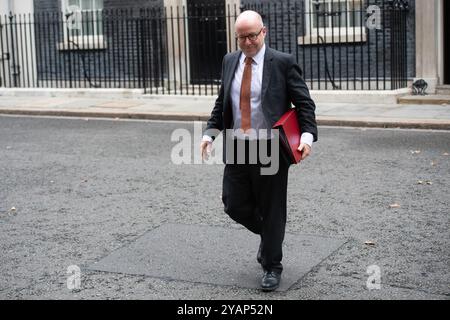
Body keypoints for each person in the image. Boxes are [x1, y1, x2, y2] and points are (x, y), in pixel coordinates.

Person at [200, 10, 318, 292]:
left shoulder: (283, 63)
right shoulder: (230, 61)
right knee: (233, 203)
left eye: (252, 35)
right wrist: (209, 134)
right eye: (241, 37)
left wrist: (307, 137)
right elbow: (222, 103)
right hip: (239, 146)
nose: (247, 42)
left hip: (271, 147)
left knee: (272, 208)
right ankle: (270, 235)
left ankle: (272, 266)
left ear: (263, 32)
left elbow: (305, 104)